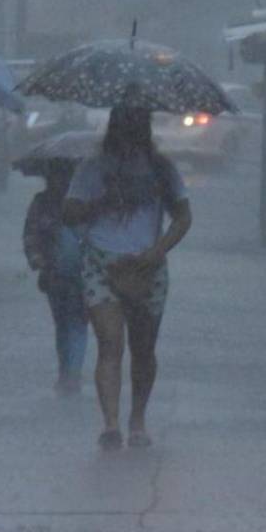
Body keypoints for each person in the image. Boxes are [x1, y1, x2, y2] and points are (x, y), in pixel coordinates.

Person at [63, 107, 192, 450]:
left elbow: (183, 216)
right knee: (109, 342)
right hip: (101, 262)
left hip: (148, 265)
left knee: (143, 348)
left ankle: (137, 418)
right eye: (124, 126)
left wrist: (159, 249)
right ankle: (110, 424)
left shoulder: (162, 169)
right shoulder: (93, 168)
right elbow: (69, 211)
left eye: (137, 126)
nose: (130, 134)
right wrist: (102, 201)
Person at [23, 161, 87, 394]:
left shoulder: (85, 201)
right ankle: (66, 372)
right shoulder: (42, 203)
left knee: (77, 323)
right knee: (63, 324)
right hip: (54, 276)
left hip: (83, 275)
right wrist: (39, 263)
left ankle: (73, 374)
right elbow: (30, 235)